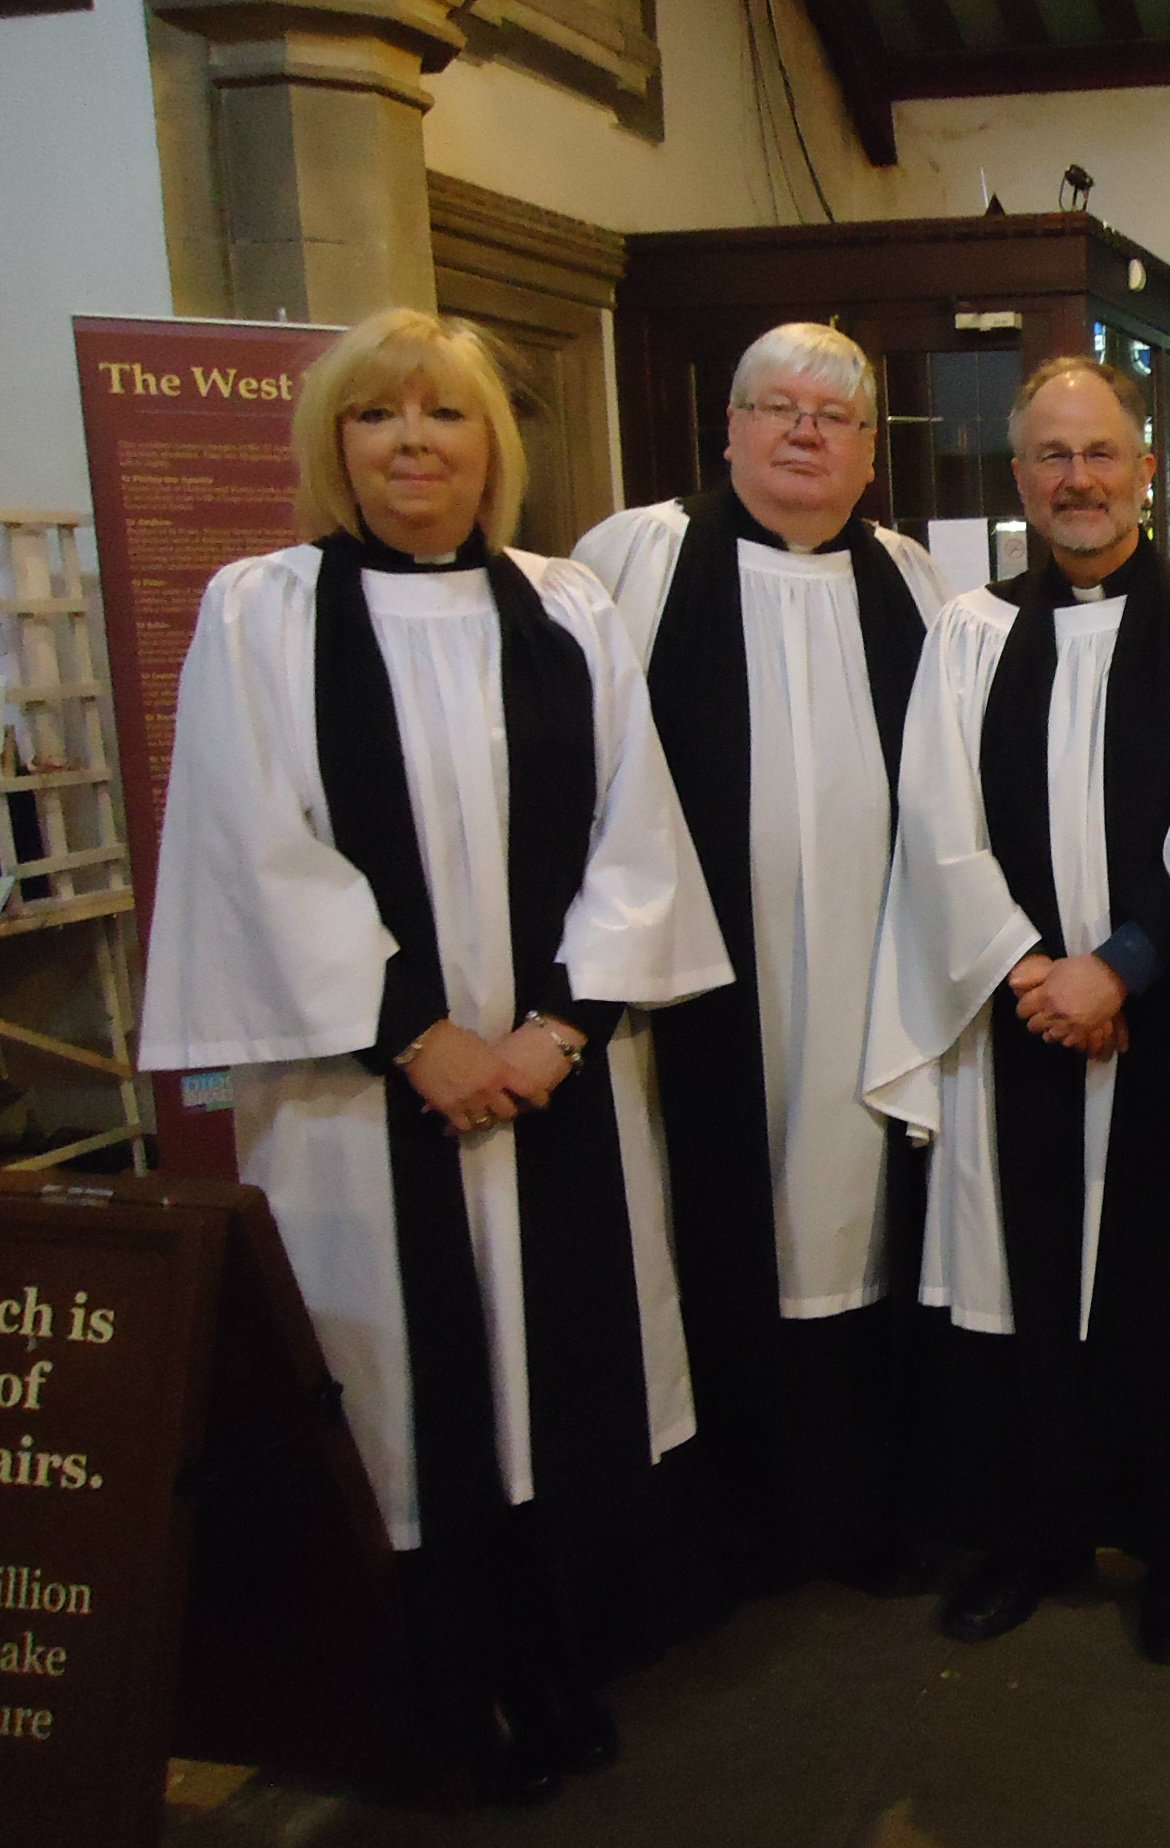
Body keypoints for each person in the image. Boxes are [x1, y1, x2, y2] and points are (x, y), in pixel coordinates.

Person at [137, 308, 730, 1805]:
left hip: (549, 1084)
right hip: (366, 1090)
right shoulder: (260, 610)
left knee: (555, 1379)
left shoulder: (567, 608)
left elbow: (636, 829)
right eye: (377, 417)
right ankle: (428, 1692)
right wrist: (420, 1034)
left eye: (444, 415)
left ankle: (554, 1659)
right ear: (333, 447)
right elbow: (249, 842)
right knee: (403, 1391)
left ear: (493, 445)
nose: (413, 443)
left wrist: (554, 1030)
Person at [862, 357, 1170, 1662]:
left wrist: (1132, 964)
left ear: (1146, 467)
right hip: (1020, 1026)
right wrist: (1031, 973)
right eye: (1051, 457)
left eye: (1101, 454)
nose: (1078, 481)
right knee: (1013, 1287)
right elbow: (937, 822)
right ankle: (1026, 1538)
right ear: (1020, 478)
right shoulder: (974, 632)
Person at [572, 322, 952, 1597]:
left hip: (870, 983)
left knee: (859, 1231)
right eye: (776, 407)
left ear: (867, 453)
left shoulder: (914, 584)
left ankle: (864, 1509)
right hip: (695, 987)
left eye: (834, 417)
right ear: (726, 428)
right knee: (702, 1220)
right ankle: (718, 1531)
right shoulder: (632, 559)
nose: (803, 433)